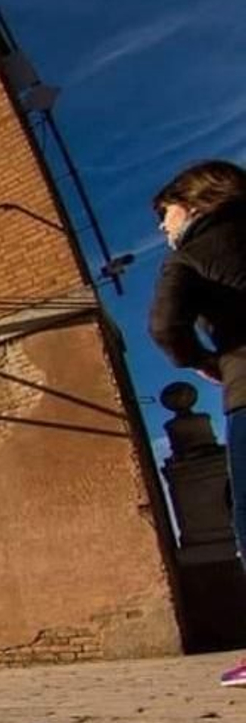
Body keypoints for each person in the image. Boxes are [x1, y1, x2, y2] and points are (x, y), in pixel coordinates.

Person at [146, 160, 246, 689]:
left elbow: (165, 325)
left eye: (166, 214)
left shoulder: (192, 255)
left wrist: (201, 361)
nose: (163, 228)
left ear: (196, 204)